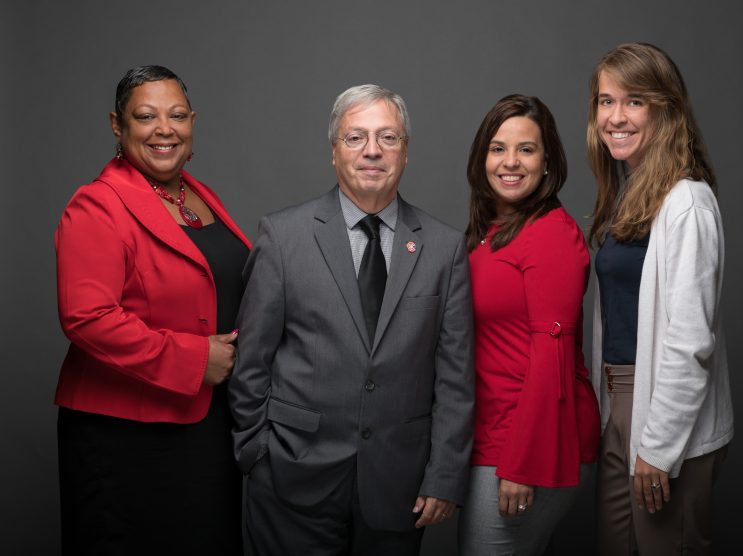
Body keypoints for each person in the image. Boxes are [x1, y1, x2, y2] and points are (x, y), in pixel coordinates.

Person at [228, 84, 474, 555]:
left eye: (388, 137)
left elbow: (455, 378)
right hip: (291, 479)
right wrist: (255, 452)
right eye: (355, 137)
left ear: (405, 152)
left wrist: (444, 474)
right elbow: (250, 361)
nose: (372, 151)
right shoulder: (283, 236)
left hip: (398, 486)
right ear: (334, 151)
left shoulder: (445, 249)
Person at [55, 65, 250, 555]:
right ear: (118, 126)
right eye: (146, 116)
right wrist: (194, 360)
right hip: (128, 436)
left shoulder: (198, 195)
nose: (165, 128)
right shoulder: (97, 205)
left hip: (206, 425)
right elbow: (87, 317)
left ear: (192, 122)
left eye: (177, 115)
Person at [587, 43, 734, 554]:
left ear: (665, 109)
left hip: (665, 418)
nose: (615, 117)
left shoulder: (687, 202)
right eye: (606, 101)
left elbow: (690, 340)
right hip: (621, 406)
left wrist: (658, 446)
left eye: (634, 101)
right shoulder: (628, 196)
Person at [457, 94, 601, 555]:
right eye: (498, 148)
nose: (510, 162)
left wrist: (523, 465)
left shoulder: (550, 234)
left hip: (528, 446)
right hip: (491, 436)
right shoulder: (492, 232)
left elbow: (552, 357)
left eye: (526, 149)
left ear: (547, 161)